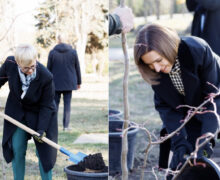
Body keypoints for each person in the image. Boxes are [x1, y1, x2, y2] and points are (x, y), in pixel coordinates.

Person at [134, 24, 220, 179]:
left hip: (214, 101)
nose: (157, 68)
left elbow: (213, 99)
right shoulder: (156, 72)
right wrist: (179, 142)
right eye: (150, 64)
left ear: (168, 47)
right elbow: (167, 109)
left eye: (159, 60)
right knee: (182, 162)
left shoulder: (197, 50)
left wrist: (206, 139)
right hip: (189, 110)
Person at [0, 44, 58, 180]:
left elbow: (47, 105)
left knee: (44, 154)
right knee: (17, 149)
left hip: (40, 114)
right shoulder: (10, 64)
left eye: (33, 66)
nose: (31, 71)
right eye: (26, 68)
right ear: (18, 63)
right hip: (17, 113)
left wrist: (41, 129)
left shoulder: (46, 76)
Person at [47, 35, 81, 131]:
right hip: (69, 83)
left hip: (55, 83)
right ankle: (66, 127)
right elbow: (77, 67)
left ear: (58, 41)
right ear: (67, 41)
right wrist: (79, 82)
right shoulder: (73, 52)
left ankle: (53, 126)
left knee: (55, 105)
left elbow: (48, 69)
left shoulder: (52, 53)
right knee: (67, 105)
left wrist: (47, 82)